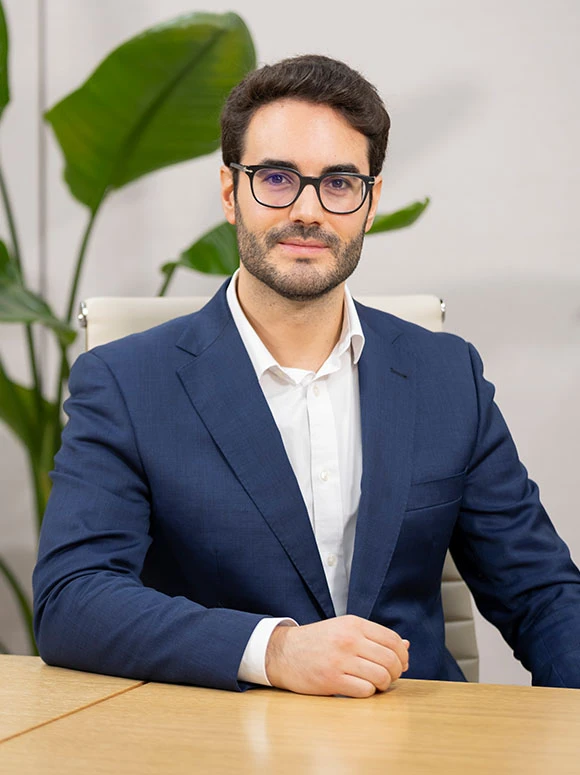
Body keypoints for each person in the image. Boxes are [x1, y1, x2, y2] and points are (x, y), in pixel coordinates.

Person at [33, 55, 580, 696]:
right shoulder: (127, 384)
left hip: (419, 741)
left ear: (371, 203)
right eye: (276, 178)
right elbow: (74, 599)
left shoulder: (445, 375)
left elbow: (541, 593)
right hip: (218, 741)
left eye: (340, 183)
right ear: (230, 192)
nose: (309, 210)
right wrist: (276, 650)